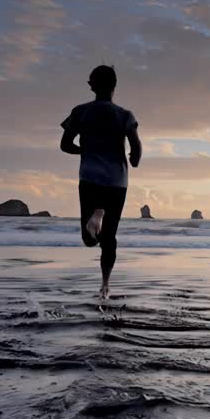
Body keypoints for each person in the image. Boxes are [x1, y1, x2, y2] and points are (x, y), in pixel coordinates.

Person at [60, 65, 142, 299]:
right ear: (115, 86)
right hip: (117, 181)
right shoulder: (125, 115)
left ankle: (97, 213)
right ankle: (105, 285)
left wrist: (86, 150)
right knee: (110, 236)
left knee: (89, 240)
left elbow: (65, 144)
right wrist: (134, 159)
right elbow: (136, 146)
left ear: (91, 86)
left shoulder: (80, 111)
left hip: (90, 177)